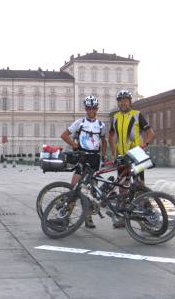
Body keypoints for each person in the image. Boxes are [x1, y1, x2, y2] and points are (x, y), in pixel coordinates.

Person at [108, 90, 155, 228]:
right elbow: (111, 135)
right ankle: (124, 218)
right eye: (120, 100)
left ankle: (147, 219)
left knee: (140, 187)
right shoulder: (115, 117)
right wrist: (114, 152)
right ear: (118, 102)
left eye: (126, 100)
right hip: (122, 158)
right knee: (123, 188)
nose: (123, 102)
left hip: (136, 156)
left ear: (130, 101)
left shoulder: (137, 115)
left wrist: (143, 145)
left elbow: (151, 133)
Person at [61, 95, 107, 228]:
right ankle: (66, 215)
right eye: (88, 108)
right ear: (85, 109)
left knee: (91, 191)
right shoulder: (79, 123)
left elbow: (104, 142)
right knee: (74, 188)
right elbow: (64, 135)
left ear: (97, 109)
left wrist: (103, 157)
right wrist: (74, 145)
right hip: (82, 158)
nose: (91, 110)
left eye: (93, 108)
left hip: (94, 159)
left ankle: (88, 217)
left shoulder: (101, 125)